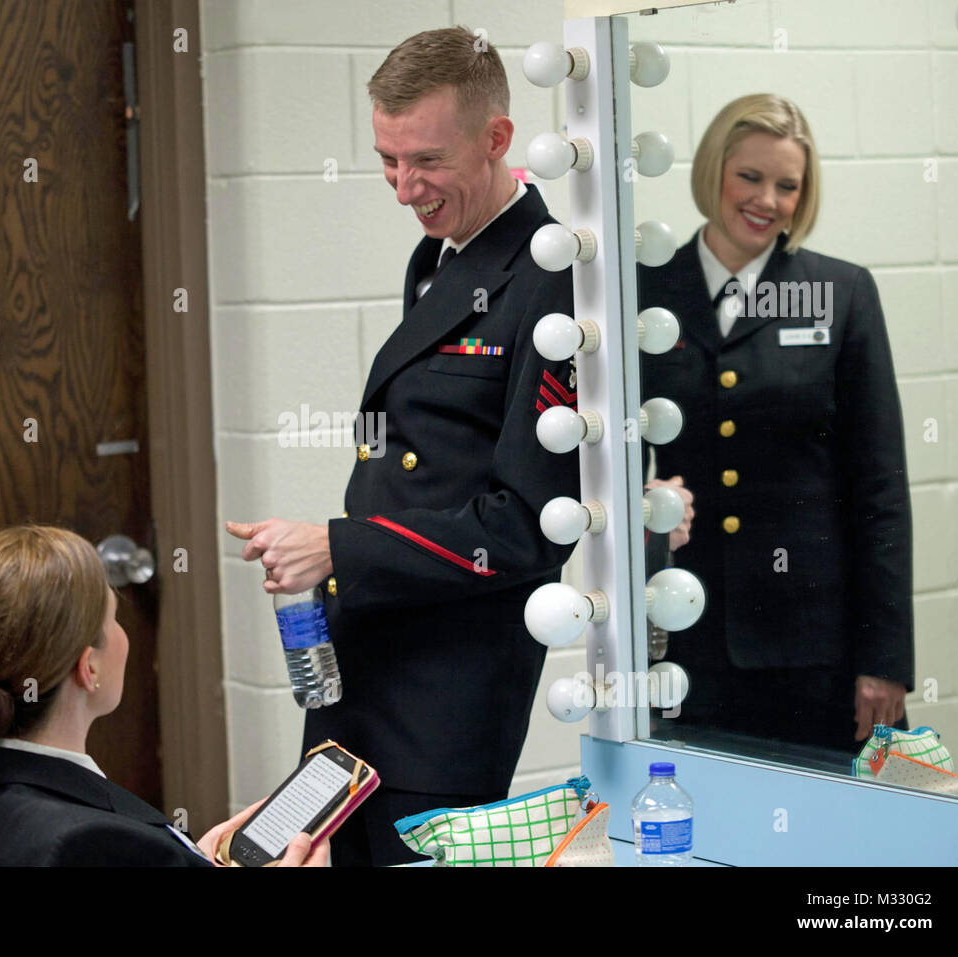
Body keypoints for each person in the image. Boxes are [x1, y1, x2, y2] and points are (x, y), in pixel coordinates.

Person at [227, 27, 580, 866]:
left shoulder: (551, 278)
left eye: (424, 160)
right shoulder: (438, 258)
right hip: (367, 667)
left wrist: (338, 546)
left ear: (497, 139)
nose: (402, 188)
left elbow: (527, 526)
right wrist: (332, 555)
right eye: (387, 160)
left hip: (444, 699)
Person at [638, 93, 912, 755]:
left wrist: (886, 660)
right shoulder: (646, 290)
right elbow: (606, 453)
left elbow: (881, 491)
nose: (767, 199)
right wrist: (641, 510)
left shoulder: (841, 292)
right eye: (750, 177)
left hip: (815, 649)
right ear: (714, 173)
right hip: (686, 634)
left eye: (788, 185)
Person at [0, 525, 327, 867]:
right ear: (89, 668)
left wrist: (185, 856)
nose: (124, 635)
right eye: (114, 618)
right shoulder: (93, 843)